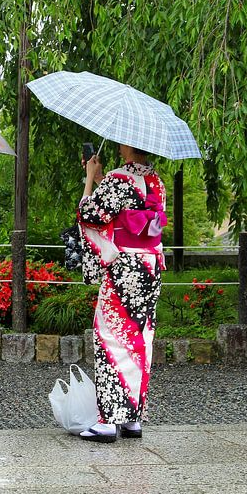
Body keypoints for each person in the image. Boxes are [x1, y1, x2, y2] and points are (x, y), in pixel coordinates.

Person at [78, 143, 166, 443]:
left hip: (125, 266)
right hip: (150, 266)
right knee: (140, 339)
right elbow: (126, 203)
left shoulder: (118, 178)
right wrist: (104, 178)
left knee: (112, 337)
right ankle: (131, 419)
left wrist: (90, 178)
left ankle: (107, 422)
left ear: (127, 144)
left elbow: (92, 215)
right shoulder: (155, 180)